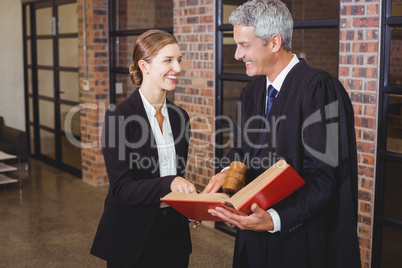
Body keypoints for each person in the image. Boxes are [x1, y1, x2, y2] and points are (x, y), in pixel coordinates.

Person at [204, 0, 361, 267]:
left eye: (244, 45)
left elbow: (325, 177)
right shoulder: (252, 92)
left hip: (297, 241)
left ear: (274, 43)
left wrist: (275, 218)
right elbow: (242, 149)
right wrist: (226, 173)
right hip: (251, 237)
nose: (237, 55)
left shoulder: (319, 89)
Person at [91, 29, 199, 268]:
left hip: (174, 234)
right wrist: (169, 182)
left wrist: (191, 205)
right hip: (132, 235)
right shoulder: (119, 116)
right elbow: (122, 189)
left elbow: (176, 176)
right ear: (145, 65)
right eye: (168, 60)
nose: (177, 68)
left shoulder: (180, 117)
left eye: (179, 60)